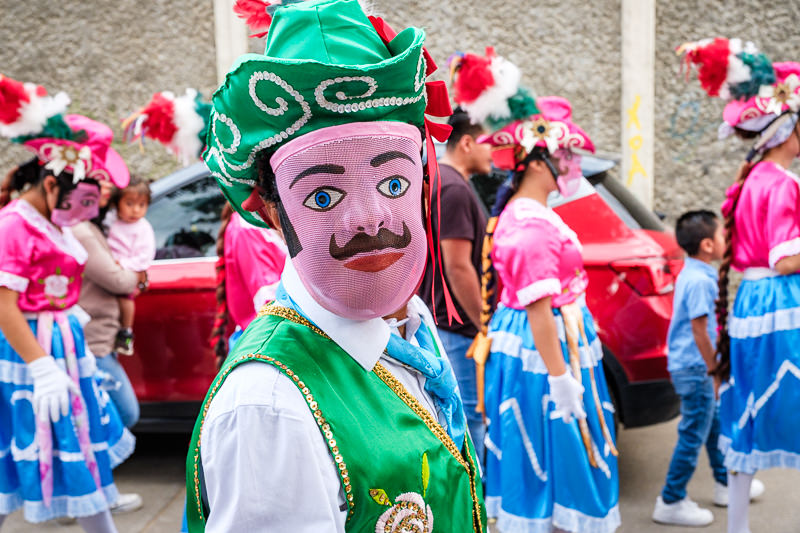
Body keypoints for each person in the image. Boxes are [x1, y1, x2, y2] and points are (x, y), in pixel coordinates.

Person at [182, 1, 485, 531]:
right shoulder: (270, 405)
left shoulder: (409, 325)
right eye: (323, 196)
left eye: (393, 184)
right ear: (270, 210)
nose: (370, 222)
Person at [454, 49, 620, 532]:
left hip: (544, 344)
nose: (571, 165)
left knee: (553, 459)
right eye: (565, 155)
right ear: (537, 160)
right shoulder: (528, 222)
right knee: (556, 458)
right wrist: (561, 379)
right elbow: (538, 310)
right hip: (542, 352)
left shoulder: (530, 216)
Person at [0, 75, 136, 532]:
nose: (85, 211)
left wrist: (67, 316)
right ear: (52, 184)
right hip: (33, 352)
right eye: (81, 198)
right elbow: (3, 304)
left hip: (66, 347)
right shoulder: (14, 225)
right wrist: (40, 366)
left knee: (79, 447)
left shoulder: (51, 220)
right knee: (28, 449)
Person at [680, 37, 800, 533]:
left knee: (748, 412)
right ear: (786, 129)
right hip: (781, 304)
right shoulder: (784, 183)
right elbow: (786, 258)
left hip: (751, 305)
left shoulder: (750, 181)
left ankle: (739, 527)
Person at [652, 210, 763, 526]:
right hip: (696, 368)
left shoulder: (692, 272)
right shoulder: (702, 281)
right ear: (707, 245)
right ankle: (670, 500)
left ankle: (726, 484)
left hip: (691, 366)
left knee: (713, 425)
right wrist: (715, 369)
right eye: (722, 236)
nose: (727, 240)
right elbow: (700, 330)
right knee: (693, 433)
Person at [418, 106, 492, 463]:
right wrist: (484, 324)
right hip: (456, 328)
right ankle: (472, 513)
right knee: (466, 423)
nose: (491, 152)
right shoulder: (454, 189)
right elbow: (458, 266)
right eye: (487, 143)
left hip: (446, 324)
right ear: (466, 143)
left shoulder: (442, 181)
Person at [72, 179, 148, 430]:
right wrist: (136, 276)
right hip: (94, 341)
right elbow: (119, 281)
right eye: (99, 184)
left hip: (102, 337)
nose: (107, 190)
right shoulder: (82, 232)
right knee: (125, 413)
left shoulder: (94, 227)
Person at [209, 204, 287, 367]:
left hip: (273, 342)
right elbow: (269, 305)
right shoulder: (249, 227)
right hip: (269, 346)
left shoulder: (259, 221)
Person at [105, 176, 155, 356]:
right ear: (117, 203)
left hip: (128, 271)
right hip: (108, 270)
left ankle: (126, 331)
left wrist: (123, 265)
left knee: (126, 299)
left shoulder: (143, 228)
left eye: (141, 205)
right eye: (130, 204)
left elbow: (144, 257)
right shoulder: (110, 221)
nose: (135, 210)